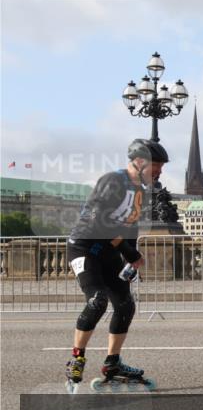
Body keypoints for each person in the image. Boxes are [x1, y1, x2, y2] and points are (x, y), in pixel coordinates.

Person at [64, 138, 167, 391]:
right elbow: (100, 221)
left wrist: (130, 259)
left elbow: (129, 227)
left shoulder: (140, 192)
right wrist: (128, 252)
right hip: (85, 248)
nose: (160, 172)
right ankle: (77, 359)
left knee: (125, 304)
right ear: (140, 162)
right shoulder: (113, 181)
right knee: (97, 300)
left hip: (109, 252)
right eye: (157, 166)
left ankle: (113, 363)